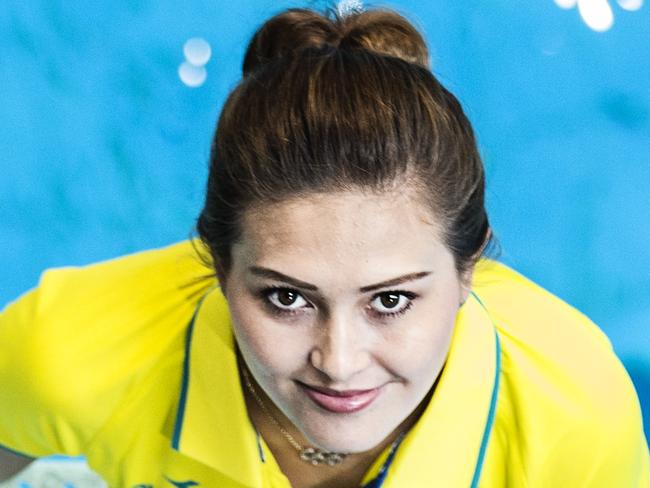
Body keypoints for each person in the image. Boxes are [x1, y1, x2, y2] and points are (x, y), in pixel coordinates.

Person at [1, 5, 648, 488]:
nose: (338, 363)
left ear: (468, 269)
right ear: (220, 267)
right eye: (286, 297)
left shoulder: (575, 415)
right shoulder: (73, 350)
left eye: (391, 299)